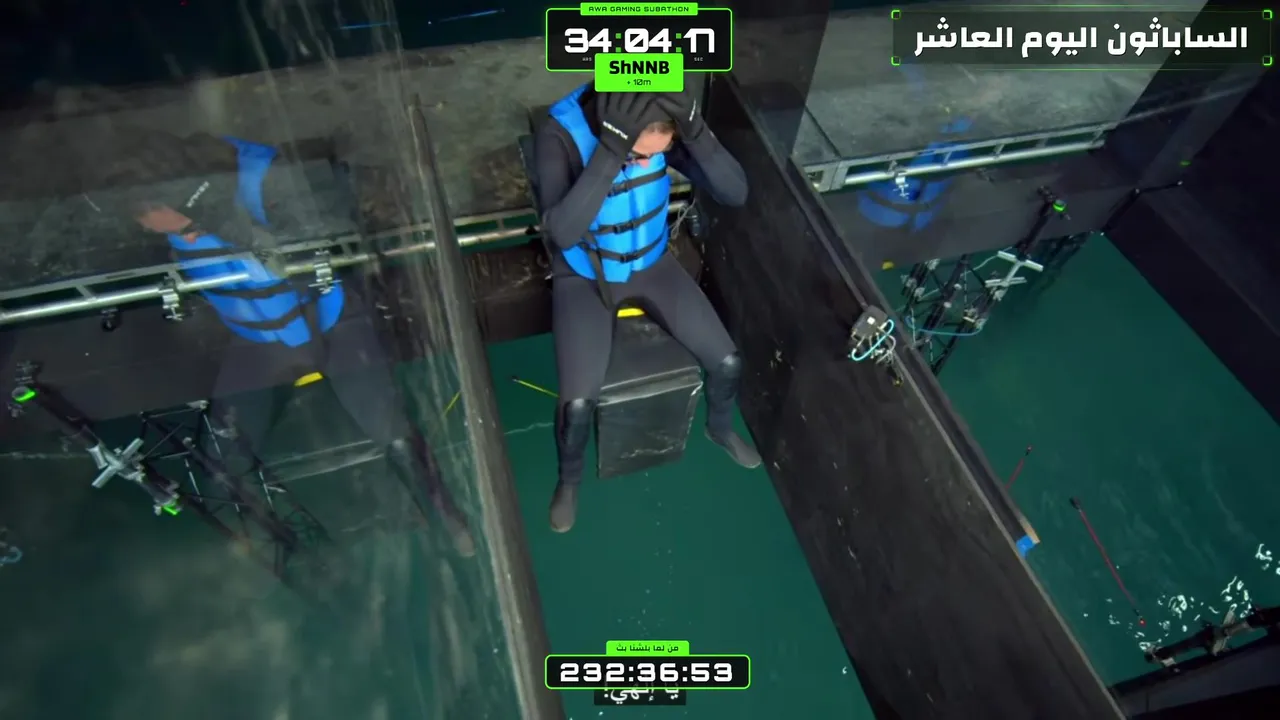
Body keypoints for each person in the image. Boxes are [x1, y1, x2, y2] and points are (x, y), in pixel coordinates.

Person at [83, 129, 475, 556]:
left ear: (175, 202)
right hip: (257, 340)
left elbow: (310, 229)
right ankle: (256, 534)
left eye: (146, 213)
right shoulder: (186, 221)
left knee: (390, 429)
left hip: (331, 324)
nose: (142, 222)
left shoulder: (251, 203)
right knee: (223, 451)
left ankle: (446, 511)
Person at [533, 82, 761, 533]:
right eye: (638, 154)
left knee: (728, 363)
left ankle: (719, 428)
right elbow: (561, 232)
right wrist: (611, 152)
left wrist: (696, 133)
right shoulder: (560, 135)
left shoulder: (666, 130)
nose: (644, 163)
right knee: (577, 406)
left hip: (652, 264)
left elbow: (736, 192)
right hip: (586, 276)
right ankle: (569, 480)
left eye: (655, 155)